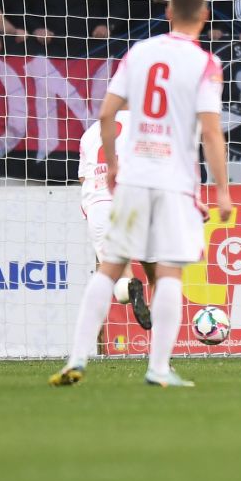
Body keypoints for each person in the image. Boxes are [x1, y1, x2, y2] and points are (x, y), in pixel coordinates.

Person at [50, 0, 233, 389]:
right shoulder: (206, 63)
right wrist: (221, 189)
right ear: (204, 17)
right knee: (168, 273)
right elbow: (210, 131)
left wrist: (113, 165)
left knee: (109, 268)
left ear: (168, 13)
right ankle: (158, 368)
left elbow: (106, 113)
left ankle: (76, 358)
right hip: (173, 180)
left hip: (134, 177)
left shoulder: (140, 52)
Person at [76, 109, 153, 331]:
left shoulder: (89, 134)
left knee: (120, 281)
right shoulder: (142, 122)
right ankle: (160, 315)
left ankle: (129, 285)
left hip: (98, 204)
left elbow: (82, 177)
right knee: (156, 266)